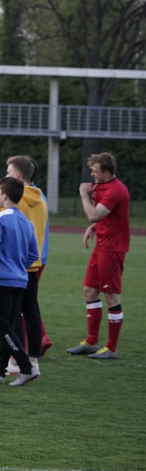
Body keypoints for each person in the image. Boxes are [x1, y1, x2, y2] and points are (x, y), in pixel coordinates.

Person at [68, 152, 130, 360]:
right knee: (89, 291)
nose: (92, 174)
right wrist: (94, 227)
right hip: (102, 245)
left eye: (95, 171)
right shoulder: (103, 186)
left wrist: (84, 195)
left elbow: (95, 213)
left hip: (112, 249)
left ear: (106, 172)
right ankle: (91, 341)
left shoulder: (115, 190)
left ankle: (111, 348)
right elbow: (104, 217)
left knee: (111, 295)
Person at [0, 176, 41, 387]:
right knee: (8, 325)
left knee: (1, 327)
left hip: (0, 279)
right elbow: (32, 254)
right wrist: (18, 266)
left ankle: (26, 368)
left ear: (5, 195)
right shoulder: (25, 221)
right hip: (20, 280)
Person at [4, 155, 51, 363]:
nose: (5, 175)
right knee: (31, 312)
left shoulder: (15, 201)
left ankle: (16, 359)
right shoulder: (41, 200)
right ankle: (32, 358)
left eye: (8, 172)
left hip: (13, 264)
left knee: (12, 314)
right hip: (33, 263)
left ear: (17, 175)